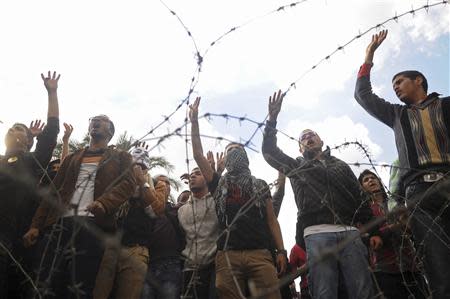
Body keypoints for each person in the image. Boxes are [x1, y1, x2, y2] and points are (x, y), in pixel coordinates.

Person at [354, 29, 450, 298]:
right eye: (393, 84)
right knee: (438, 267)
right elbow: (364, 96)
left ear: (418, 80)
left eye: (400, 81)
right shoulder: (397, 114)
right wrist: (368, 57)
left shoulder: (446, 106)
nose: (395, 87)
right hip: (420, 193)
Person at [262, 90, 381, 299]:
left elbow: (359, 197)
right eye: (303, 138)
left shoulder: (341, 165)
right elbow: (270, 152)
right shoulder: (297, 166)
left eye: (311, 135)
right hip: (317, 233)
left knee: (362, 290)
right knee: (324, 292)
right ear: (300, 148)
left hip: (350, 230)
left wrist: (375, 230)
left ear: (321, 140)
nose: (308, 138)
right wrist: (272, 121)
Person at [23, 114, 136, 298]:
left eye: (102, 120)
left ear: (110, 131)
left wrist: (104, 203)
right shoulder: (72, 158)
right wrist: (36, 225)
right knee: (46, 282)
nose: (96, 122)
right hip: (60, 224)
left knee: (81, 285)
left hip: (93, 226)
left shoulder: (120, 157)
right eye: (94, 119)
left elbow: (129, 184)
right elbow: (53, 192)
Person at [189, 97, 287, 299]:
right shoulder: (217, 183)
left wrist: (281, 251)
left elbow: (271, 220)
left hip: (260, 254)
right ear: (225, 158)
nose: (234, 152)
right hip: (227, 256)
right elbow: (198, 154)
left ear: (246, 156)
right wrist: (194, 122)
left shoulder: (259, 184)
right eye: (229, 150)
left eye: (237, 149)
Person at [0, 71, 60, 297]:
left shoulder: (32, 160)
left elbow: (52, 130)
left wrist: (52, 93)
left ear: (28, 140)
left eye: (19, 129)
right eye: (11, 128)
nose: (12, 130)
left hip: (17, 237)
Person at [93, 145, 167, 299]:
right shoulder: (119, 180)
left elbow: (156, 211)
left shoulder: (156, 184)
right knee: (99, 292)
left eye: (142, 165)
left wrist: (142, 183)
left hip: (137, 250)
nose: (137, 167)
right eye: (134, 164)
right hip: (112, 245)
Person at [358, 169, 428, 299]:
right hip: (384, 269)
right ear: (362, 188)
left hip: (410, 265)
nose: (370, 180)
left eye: (373, 178)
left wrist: (407, 224)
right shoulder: (364, 213)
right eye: (366, 180)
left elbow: (411, 229)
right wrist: (393, 227)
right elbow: (364, 237)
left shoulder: (395, 204)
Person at [141, 174, 185, 299]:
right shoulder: (144, 209)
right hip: (147, 262)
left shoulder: (177, 210)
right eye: (159, 182)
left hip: (171, 263)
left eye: (166, 182)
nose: (163, 184)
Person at [178, 167, 219, 299]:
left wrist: (216, 173)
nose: (192, 177)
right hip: (189, 268)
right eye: (191, 175)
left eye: (198, 174)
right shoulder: (181, 210)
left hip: (215, 267)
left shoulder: (217, 202)